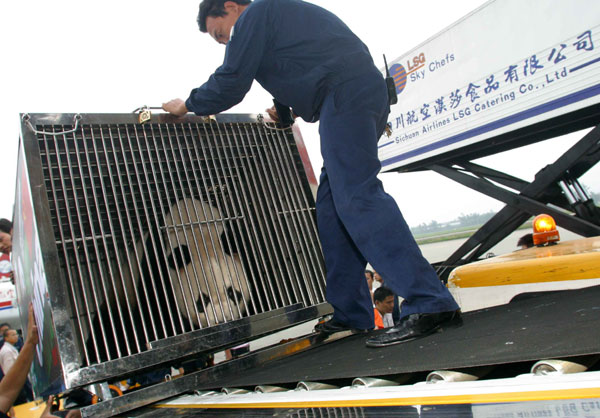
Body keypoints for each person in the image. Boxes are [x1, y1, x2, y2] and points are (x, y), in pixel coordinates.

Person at [163, 0, 461, 348]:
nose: (228, 41)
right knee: (333, 210)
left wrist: (188, 103)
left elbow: (232, 80)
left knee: (358, 198)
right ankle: (351, 315)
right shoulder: (277, 23)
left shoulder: (256, 13)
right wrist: (286, 111)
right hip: (352, 94)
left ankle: (429, 301)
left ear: (230, 6)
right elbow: (297, 64)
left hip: (344, 94)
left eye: (221, 32)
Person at [0, 304, 38, 418]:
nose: (16, 336)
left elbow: (6, 393)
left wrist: (30, 343)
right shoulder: (6, 351)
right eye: (13, 334)